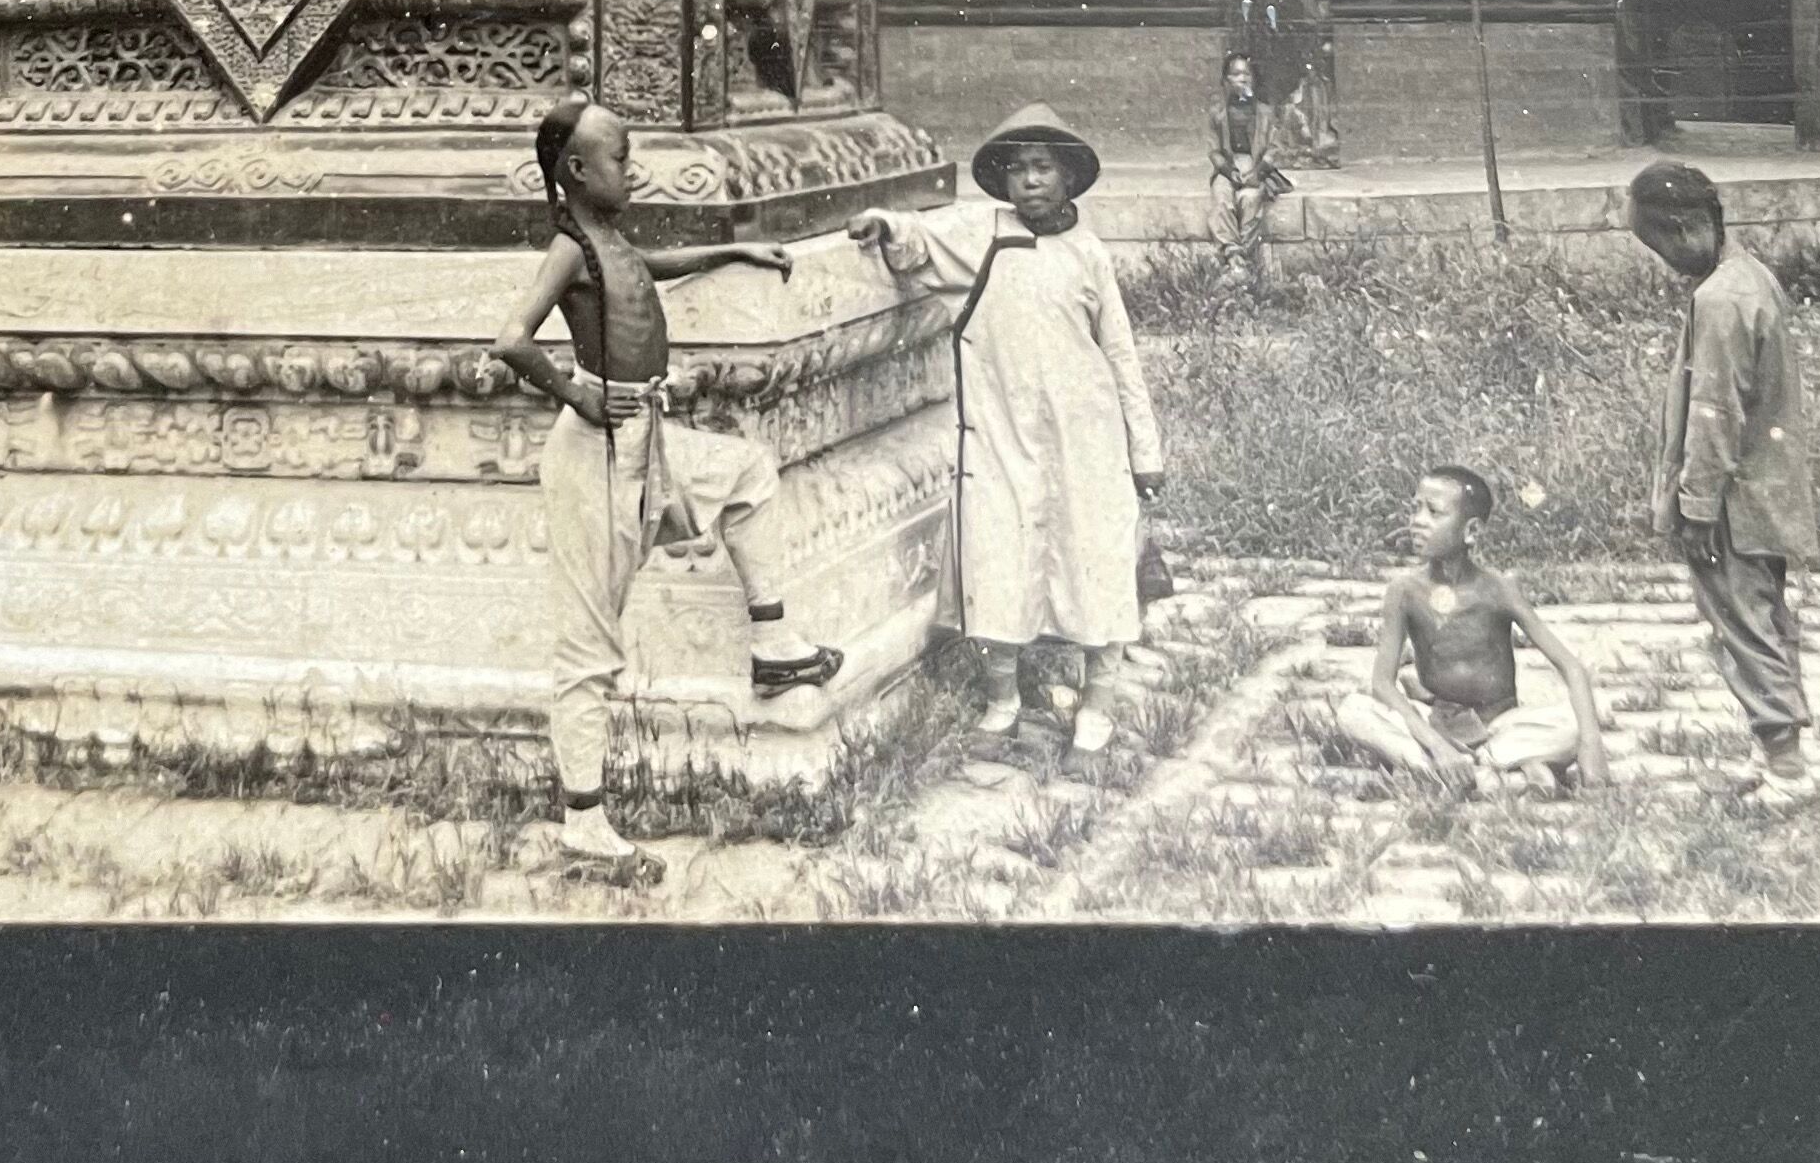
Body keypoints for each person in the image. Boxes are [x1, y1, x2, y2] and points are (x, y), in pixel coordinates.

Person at [491, 99, 842, 881]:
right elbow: (511, 339)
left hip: (647, 442)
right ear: (578, 171)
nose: (634, 167)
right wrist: (576, 394)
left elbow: (650, 271)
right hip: (596, 454)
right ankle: (584, 823)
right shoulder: (568, 247)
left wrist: (737, 250)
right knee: (589, 647)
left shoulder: (609, 240)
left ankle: (776, 646)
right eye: (620, 156)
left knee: (747, 473)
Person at [850, 105, 1164, 759]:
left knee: (1094, 563)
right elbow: (919, 243)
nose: (1030, 183)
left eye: (1043, 168)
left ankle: (1097, 708)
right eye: (1018, 170)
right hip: (1002, 434)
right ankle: (1002, 702)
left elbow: (1123, 357)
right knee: (999, 560)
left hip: (1087, 439)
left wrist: (1144, 450)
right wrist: (886, 226)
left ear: (1069, 178)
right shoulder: (985, 236)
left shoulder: (1088, 255)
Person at [1628, 158, 1820, 805]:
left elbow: (1715, 410)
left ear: (1686, 228)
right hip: (1768, 490)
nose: (1668, 264)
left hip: (1733, 502)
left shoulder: (1718, 299)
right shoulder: (1751, 277)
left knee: (1744, 627)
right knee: (1760, 618)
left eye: (1663, 250)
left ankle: (1788, 770)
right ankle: (1771, 756)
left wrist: (1697, 505)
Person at [1336, 467, 1608, 797]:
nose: (1417, 521)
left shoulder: (1496, 589)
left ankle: (1450, 774)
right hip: (1437, 723)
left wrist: (1592, 748)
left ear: (1471, 531)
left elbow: (1571, 667)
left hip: (1499, 727)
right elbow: (1382, 683)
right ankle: (1481, 774)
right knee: (1353, 710)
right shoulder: (1404, 591)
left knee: (1576, 724)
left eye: (1433, 512)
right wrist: (1436, 742)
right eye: (1415, 508)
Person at [1208, 50, 1290, 274]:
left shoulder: (1265, 112)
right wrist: (1226, 170)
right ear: (1225, 81)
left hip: (1256, 165)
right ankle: (1233, 254)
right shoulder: (1218, 114)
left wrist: (1258, 171)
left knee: (1250, 198)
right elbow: (1214, 150)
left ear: (1254, 79)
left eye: (1247, 74)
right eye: (1235, 74)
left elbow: (1274, 148)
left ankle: (1245, 255)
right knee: (1222, 197)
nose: (1242, 79)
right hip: (1229, 165)